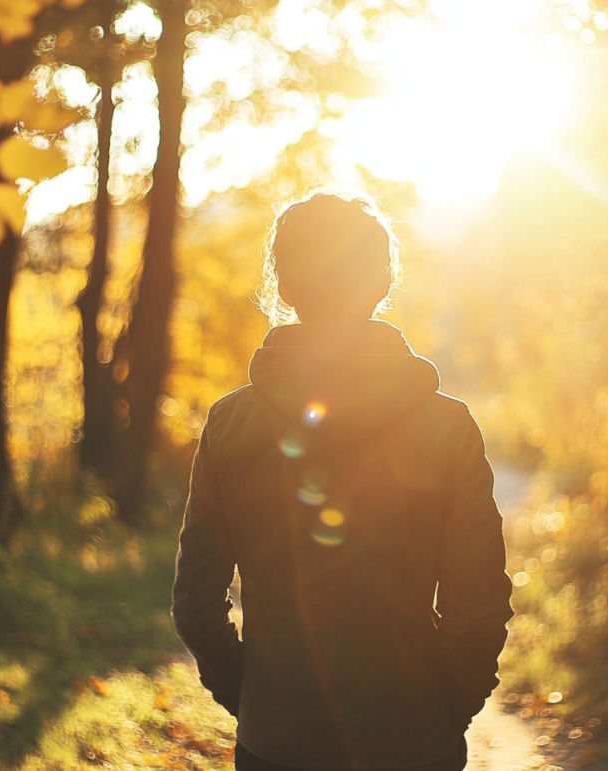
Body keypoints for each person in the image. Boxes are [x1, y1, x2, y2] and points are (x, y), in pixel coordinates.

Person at [172, 190, 513, 771]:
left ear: (284, 287)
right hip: (413, 740)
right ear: (382, 281)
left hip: (276, 742)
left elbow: (195, 604)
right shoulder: (448, 426)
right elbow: (477, 603)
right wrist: (446, 707)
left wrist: (255, 701)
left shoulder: (232, 424)